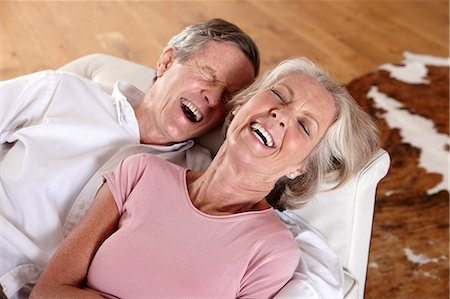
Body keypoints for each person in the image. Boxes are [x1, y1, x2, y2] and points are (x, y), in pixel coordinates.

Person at [31, 57, 379, 298]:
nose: (280, 115)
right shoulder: (141, 171)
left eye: (304, 125)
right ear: (242, 105)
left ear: (300, 167)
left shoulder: (272, 252)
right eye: (277, 95)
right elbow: (48, 291)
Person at [0, 18, 259, 298]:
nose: (212, 97)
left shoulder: (197, 179)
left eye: (227, 97)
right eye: (208, 76)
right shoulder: (59, 92)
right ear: (166, 62)